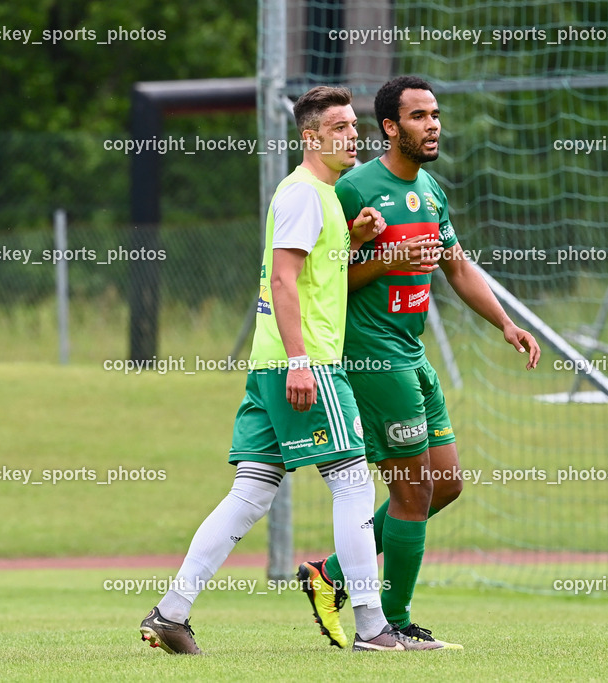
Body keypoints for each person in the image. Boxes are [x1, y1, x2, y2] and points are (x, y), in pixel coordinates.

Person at [139, 86, 439, 654]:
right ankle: (375, 628)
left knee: (250, 493)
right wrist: (302, 363)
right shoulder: (303, 192)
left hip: (271, 364)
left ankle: (171, 612)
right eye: (341, 127)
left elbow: (312, 274)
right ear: (311, 138)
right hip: (304, 363)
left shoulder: (323, 197)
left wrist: (354, 239)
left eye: (355, 125)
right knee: (352, 481)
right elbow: (282, 281)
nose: (354, 136)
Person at [299, 75, 541, 650]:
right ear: (390, 127)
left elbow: (456, 267)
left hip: (412, 352)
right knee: (413, 492)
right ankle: (392, 624)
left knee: (447, 484)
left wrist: (505, 323)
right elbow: (323, 279)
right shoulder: (354, 188)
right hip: (373, 357)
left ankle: (329, 574)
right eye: (418, 116)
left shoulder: (430, 189)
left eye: (434, 114)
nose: (432, 124)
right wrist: (387, 260)